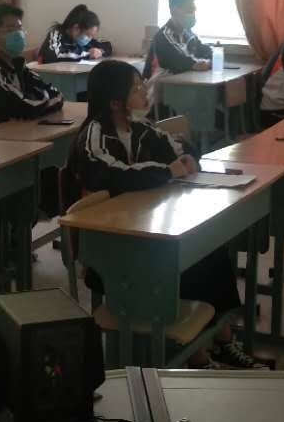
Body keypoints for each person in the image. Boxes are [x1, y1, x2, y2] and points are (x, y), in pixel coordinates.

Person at [68, 59, 266, 369]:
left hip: (143, 231)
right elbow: (112, 174)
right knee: (179, 260)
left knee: (208, 248)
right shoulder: (94, 136)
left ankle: (223, 339)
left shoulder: (140, 128)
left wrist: (186, 159)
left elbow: (178, 149)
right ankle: (197, 356)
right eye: (136, 88)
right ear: (115, 102)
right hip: (109, 247)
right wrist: (166, 170)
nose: (145, 92)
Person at [0, 2, 63, 128]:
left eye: (19, 28)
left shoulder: (17, 64)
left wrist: (44, 101)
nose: (18, 34)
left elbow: (56, 94)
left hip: (10, 132)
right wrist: (47, 101)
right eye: (10, 29)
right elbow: (27, 108)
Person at [144, 0, 213, 77]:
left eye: (194, 10)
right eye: (189, 10)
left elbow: (207, 52)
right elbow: (179, 60)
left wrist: (209, 61)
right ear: (174, 11)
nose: (193, 15)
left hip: (180, 81)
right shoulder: (164, 36)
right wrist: (197, 64)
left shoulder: (189, 34)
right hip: (158, 83)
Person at [38, 4, 113, 63]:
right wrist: (87, 54)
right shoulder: (56, 34)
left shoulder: (81, 39)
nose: (89, 39)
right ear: (76, 28)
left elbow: (107, 45)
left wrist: (100, 52)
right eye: (88, 35)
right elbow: (53, 56)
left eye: (92, 36)